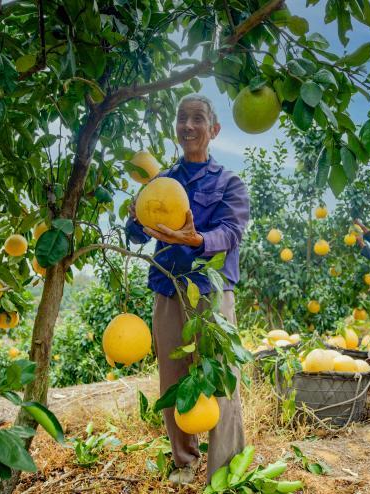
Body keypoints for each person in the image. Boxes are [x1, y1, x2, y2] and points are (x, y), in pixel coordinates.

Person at [125, 94, 249, 485]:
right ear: (176, 128)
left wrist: (197, 241)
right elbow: (136, 234)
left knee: (221, 380)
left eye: (198, 119)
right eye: (182, 119)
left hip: (210, 292)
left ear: (214, 130)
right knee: (173, 378)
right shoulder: (160, 181)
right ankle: (184, 460)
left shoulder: (230, 183)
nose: (188, 126)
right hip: (168, 288)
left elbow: (231, 233)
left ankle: (224, 467)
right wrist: (133, 215)